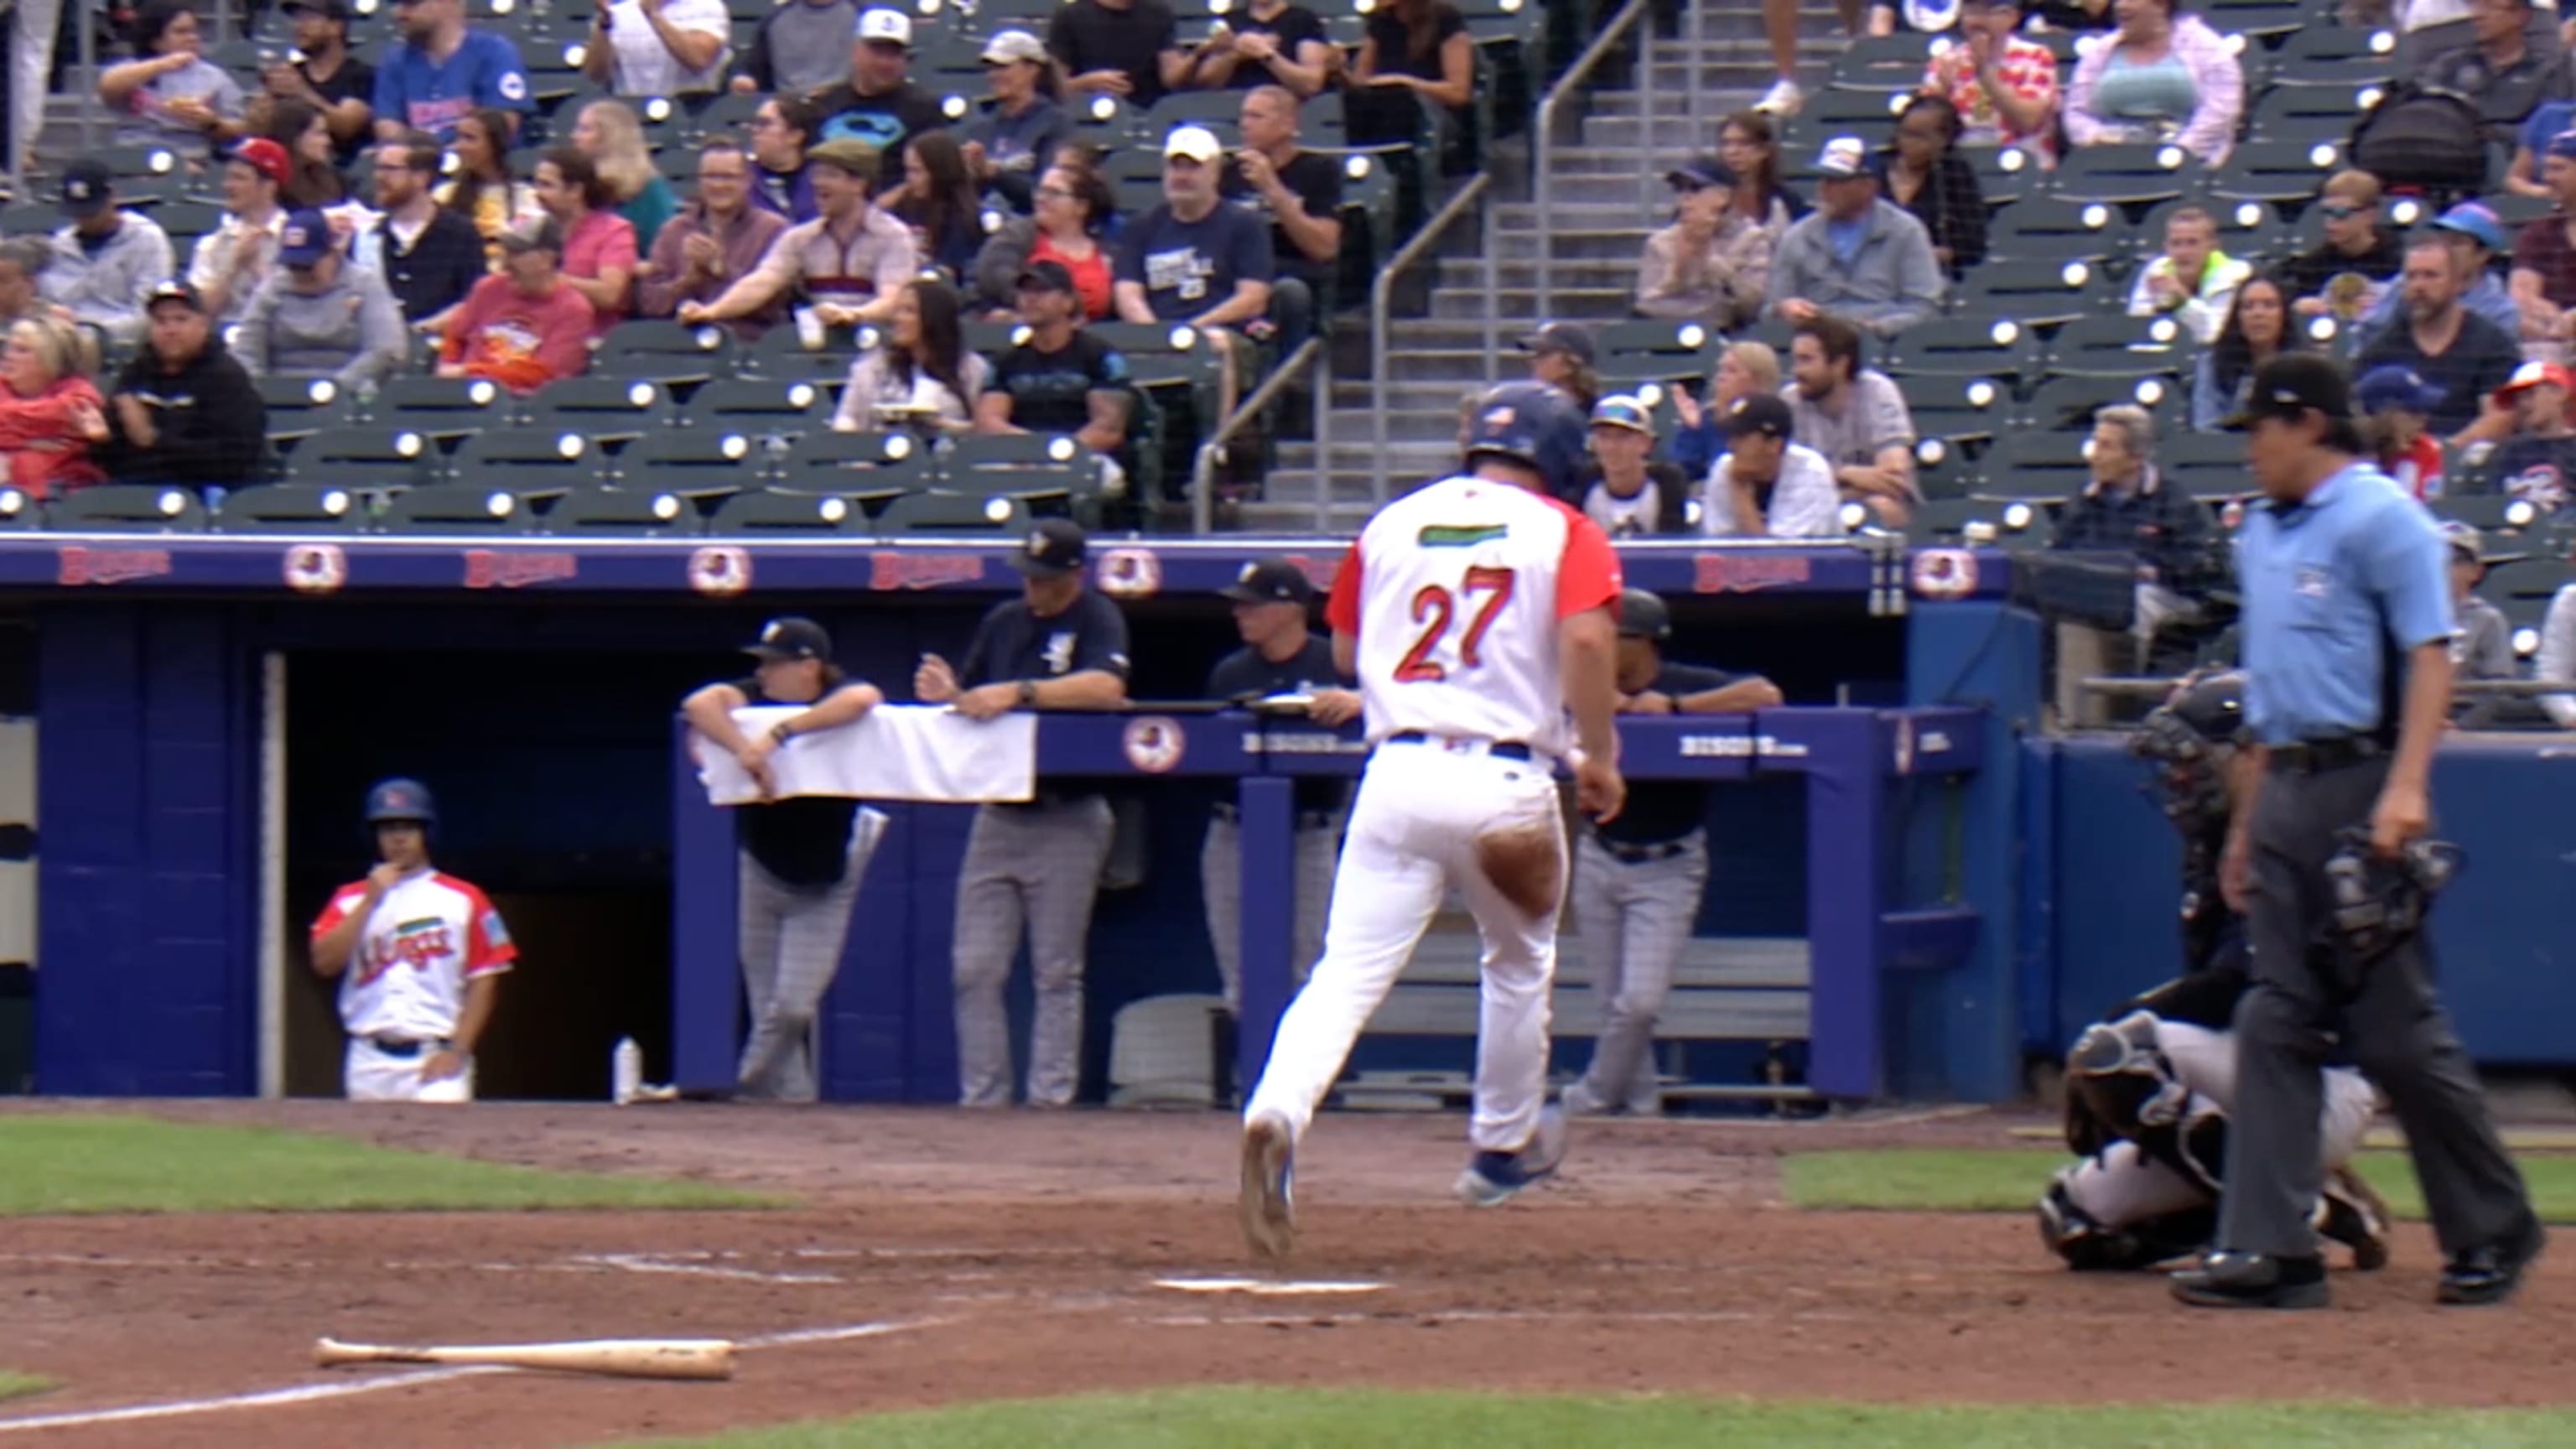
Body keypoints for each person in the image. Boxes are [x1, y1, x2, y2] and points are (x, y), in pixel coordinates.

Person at [2170, 352, 2542, 1311]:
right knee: (2276, 1016)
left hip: (2364, 777)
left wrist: (2408, 785)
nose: (2250, 449)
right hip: (2290, 783)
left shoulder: (2385, 519)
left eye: (2259, 429)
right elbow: (2265, 693)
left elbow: (2429, 656)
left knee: (2396, 1032)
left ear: (2308, 426)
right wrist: (2247, 825)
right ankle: (2273, 1248)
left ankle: (2495, 1228)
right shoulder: (2260, 531)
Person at [1236, 379, 1624, 1259]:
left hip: (1398, 769)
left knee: (1345, 974)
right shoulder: (1566, 529)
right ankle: (1500, 1149)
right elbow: (1592, 640)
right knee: (1518, 964)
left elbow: (1343, 649)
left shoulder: (1393, 520)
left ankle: (1276, 1111)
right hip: (1507, 779)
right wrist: (1598, 753)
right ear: (1557, 457)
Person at [2036, 673, 2394, 1275]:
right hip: (2252, 1081)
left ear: (2246, 757)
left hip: (2321, 1082)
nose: (2179, 778)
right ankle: (2320, 1204)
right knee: (2072, 1220)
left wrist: (2119, 1025)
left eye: (2192, 761)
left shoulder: (2295, 837)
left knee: (2115, 1051)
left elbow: (2243, 984)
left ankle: (2279, 1216)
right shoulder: (2211, 845)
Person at [913, 519, 1132, 1109]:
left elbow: (1106, 688)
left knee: (1056, 971)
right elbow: (975, 699)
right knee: (974, 968)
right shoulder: (1004, 620)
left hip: (1069, 811)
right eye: (1028, 576)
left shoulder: (1096, 616)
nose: (1033, 588)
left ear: (1073, 575)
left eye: (1045, 578)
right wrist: (950, 694)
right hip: (1001, 812)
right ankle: (983, 1099)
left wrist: (1021, 692)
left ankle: (1048, 1104)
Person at [1562, 589, 1780, 1119]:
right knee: (1613, 1003)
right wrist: (1593, 704)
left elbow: (1766, 694)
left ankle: (1592, 1096)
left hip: (1669, 863)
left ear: (1644, 644)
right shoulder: (1587, 684)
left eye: (1617, 638)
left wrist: (1675, 709)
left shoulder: (1683, 682)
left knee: (1639, 1004)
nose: (1602, 647)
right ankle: (1642, 1110)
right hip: (1600, 854)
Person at [680, 618, 890, 1103]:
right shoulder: (753, 694)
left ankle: (744, 1086)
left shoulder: (837, 690)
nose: (766, 674)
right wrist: (746, 752)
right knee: (767, 1005)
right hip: (763, 864)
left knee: (793, 1007)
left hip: (827, 874)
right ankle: (790, 1110)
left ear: (809, 667)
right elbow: (699, 704)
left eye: (776, 664)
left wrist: (780, 733)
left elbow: (864, 699)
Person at [1201, 558, 1360, 1026]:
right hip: (1234, 830)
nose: (1240, 613)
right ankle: (1250, 1089)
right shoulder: (1230, 672)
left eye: (1253, 605)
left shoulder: (1333, 664)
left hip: (1309, 831)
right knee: (1239, 972)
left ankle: (1303, 1093)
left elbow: (1391, 715)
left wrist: (1358, 701)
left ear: (1289, 609)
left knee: (1307, 970)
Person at [309, 779, 513, 1104]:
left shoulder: (464, 898)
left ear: (426, 833)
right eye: (387, 828)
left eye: (408, 827)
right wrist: (370, 901)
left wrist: (458, 1051)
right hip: (369, 1057)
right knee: (366, 1152)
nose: (398, 838)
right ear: (374, 836)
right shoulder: (349, 899)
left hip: (435, 1054)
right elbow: (324, 962)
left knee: (441, 1149)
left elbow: (486, 981)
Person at [2050, 403, 2222, 699]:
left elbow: (2196, 565)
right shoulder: (2082, 501)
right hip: (2095, 592)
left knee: (2137, 601)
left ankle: (2128, 696)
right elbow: (2059, 552)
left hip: (2164, 596)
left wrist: (2153, 570)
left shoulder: (2172, 500)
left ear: (2135, 458)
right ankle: (2069, 703)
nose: (2095, 455)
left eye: (2106, 447)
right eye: (2095, 444)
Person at [1114, 125, 1275, 424]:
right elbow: (1127, 292)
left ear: (1215, 173)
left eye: (1193, 167)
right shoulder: (1143, 225)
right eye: (1175, 167)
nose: (1182, 176)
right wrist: (1154, 335)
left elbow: (1254, 298)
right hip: (1156, 333)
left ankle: (1215, 444)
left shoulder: (1244, 224)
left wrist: (1192, 330)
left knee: (1216, 345)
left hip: (1223, 331)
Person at [683, 138, 917, 330]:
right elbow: (762, 282)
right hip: (816, 343)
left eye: (830, 175)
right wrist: (712, 311)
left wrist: (851, 316)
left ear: (859, 184)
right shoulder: (800, 238)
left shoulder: (893, 237)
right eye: (816, 174)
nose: (818, 183)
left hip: (874, 342)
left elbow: (892, 300)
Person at [94, 280, 267, 491]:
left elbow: (237, 458)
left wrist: (154, 439)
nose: (171, 330)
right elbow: (114, 456)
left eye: (181, 319)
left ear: (203, 325)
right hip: (134, 491)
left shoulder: (226, 377)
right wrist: (101, 439)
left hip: (205, 493)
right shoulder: (135, 373)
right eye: (161, 321)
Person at [976, 261, 1135, 487]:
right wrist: (1033, 450)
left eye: (1042, 291)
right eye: (1025, 292)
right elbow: (988, 421)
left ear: (1068, 301)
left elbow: (1107, 429)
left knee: (1106, 480)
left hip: (1083, 455)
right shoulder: (1006, 361)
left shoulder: (1099, 356)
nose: (1030, 299)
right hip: (1021, 458)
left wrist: (1058, 452)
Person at [1768, 138, 1945, 340]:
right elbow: (1773, 308)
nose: (1824, 189)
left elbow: (1924, 307)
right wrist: (1785, 308)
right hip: (1817, 345)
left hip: (1887, 344)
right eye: (1823, 179)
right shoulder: (1798, 236)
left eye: (1836, 181)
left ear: (1868, 186)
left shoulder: (1906, 231)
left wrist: (1878, 328)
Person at [2355, 236, 2525, 441]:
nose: (2419, 286)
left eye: (2430, 276)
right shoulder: (2382, 348)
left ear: (2456, 284)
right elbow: (2361, 415)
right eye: (2411, 276)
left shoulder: (2492, 344)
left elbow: (2500, 417)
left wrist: (2445, 454)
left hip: (2469, 464)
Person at [1220, 86, 1343, 350]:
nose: (1244, 125)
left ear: (1288, 125)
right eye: (1243, 117)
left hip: (1289, 270)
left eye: (1256, 117)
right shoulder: (1228, 173)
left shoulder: (1319, 170)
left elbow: (1324, 248)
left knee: (1288, 293)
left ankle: (1283, 384)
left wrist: (1272, 188)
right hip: (1235, 273)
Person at [235, 208, 408, 391]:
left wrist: (335, 388)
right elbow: (247, 351)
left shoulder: (364, 285)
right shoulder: (272, 290)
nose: (300, 273)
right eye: (293, 265)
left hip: (349, 394)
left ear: (332, 253)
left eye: (307, 265)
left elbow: (386, 349)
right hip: (281, 394)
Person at [2061, 0, 2245, 165]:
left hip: (2187, 162)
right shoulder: (2100, 52)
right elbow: (2076, 111)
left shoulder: (2205, 46)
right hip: (2109, 162)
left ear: (2161, 4)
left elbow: (2221, 109)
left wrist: (2181, 151)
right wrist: (2095, 139)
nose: (2120, 6)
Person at [638, 138, 790, 335]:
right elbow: (649, 303)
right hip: (681, 342)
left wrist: (721, 271)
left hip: (749, 342)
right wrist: (688, 281)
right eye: (710, 176)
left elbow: (775, 304)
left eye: (728, 177)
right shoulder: (674, 230)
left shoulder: (773, 229)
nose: (718, 185)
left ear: (748, 180)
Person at [438, 216, 595, 394]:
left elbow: (544, 373)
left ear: (547, 259)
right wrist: (447, 366)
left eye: (516, 253)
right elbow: (456, 335)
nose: (505, 263)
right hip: (464, 396)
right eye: (505, 251)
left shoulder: (573, 309)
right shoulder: (488, 288)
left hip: (521, 408)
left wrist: (469, 372)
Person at [1785, 314, 1917, 526]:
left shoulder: (1877, 391)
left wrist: (1831, 483)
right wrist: (1848, 474)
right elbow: (1790, 482)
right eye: (1796, 360)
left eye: (1806, 360)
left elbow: (1893, 478)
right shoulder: (1791, 400)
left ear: (1840, 364)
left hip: (1873, 508)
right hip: (1812, 510)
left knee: (1883, 507)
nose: (1796, 371)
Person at [358, 129, 487, 328]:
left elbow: (475, 301)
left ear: (421, 177)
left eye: (389, 169)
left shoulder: (460, 234)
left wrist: (426, 328)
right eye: (377, 168)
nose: (378, 177)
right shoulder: (369, 236)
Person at [39, 163, 175, 351]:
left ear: (112, 198)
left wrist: (94, 334)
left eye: (92, 212)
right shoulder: (60, 245)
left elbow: (149, 313)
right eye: (79, 213)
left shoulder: (146, 239)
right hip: (65, 344)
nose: (85, 219)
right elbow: (49, 303)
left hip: (125, 345)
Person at [831, 278, 989, 432]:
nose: (897, 318)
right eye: (897, 310)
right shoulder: (873, 366)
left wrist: (940, 425)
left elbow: (984, 430)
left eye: (909, 311)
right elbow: (847, 418)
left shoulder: (972, 368)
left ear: (933, 317)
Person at [1634, 156, 1772, 332]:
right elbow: (1646, 306)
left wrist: (1709, 258)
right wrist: (1680, 273)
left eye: (1695, 188)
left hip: (1730, 338)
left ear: (1723, 196)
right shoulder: (1660, 242)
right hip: (1662, 338)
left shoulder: (1752, 239)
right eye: (1679, 189)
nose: (1685, 197)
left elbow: (1753, 306)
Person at [809, 8, 950, 179]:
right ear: (856, 51)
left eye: (894, 54)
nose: (885, 63)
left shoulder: (923, 109)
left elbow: (930, 178)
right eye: (878, 52)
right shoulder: (825, 104)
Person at [98, 0, 246, 159]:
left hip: (191, 156)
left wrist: (211, 123)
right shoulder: (133, 70)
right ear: (156, 40)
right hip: (136, 155)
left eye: (194, 31)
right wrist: (164, 64)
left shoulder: (213, 76)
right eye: (181, 32)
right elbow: (108, 87)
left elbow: (240, 129)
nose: (192, 38)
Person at [371, 0, 534, 145]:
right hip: (418, 170)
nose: (400, 14)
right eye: (398, 5)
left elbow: (504, 124)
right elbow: (387, 124)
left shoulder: (495, 52)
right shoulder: (395, 61)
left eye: (411, 4)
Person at [971, 163, 1118, 319]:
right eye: (1040, 191)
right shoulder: (1016, 235)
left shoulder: (1107, 255)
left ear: (1081, 206)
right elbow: (994, 273)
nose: (1041, 199)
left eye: (1053, 193)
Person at [2418, 0, 2573, 147]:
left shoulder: (2546, 72)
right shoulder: (2449, 66)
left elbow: (2549, 128)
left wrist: (2489, 133)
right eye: (2476, 6)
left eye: (2489, 6)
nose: (2478, 15)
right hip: (2452, 155)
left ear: (2520, 16)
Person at [1920, 0, 2060, 159]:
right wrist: (1942, 91)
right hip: (1961, 162)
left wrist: (1985, 74)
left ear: (2011, 17)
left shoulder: (2036, 57)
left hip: (2024, 160)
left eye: (1986, 12)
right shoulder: (1947, 61)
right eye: (1970, 11)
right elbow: (1923, 126)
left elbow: (2029, 121)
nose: (1976, 21)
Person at [531, 146, 641, 336]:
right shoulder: (532, 228)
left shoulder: (614, 231)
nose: (537, 193)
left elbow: (610, 294)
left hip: (590, 338)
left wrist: (554, 282)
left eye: (547, 185)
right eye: (537, 185)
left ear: (575, 191)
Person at [251, 0, 375, 168]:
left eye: (309, 17)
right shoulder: (291, 73)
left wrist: (302, 92)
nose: (299, 26)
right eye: (296, 18)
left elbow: (346, 125)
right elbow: (255, 127)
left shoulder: (360, 74)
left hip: (342, 169)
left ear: (336, 27)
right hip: (290, 170)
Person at [0, 317, 110, 501]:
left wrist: (10, 442)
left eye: (22, 350)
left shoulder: (79, 395)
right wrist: (27, 442)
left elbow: (67, 416)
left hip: (62, 493)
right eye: (9, 347)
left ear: (50, 360)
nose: (8, 356)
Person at [963, 30, 1072, 212]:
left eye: (1003, 66)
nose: (994, 75)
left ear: (1032, 69)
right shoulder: (980, 127)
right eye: (991, 68)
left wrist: (995, 174)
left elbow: (1048, 193)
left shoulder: (1055, 123)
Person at [1877, 95, 1987, 278]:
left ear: (1943, 140)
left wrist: (1929, 255)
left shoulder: (1955, 175)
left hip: (1933, 278)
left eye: (1919, 137)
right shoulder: (1874, 170)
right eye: (1904, 133)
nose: (1907, 143)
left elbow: (1973, 246)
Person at [1705, 392, 1841, 538]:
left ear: (1774, 445)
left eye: (1741, 437)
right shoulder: (1724, 467)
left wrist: (1739, 491)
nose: (1731, 445)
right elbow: (1719, 545)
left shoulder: (1811, 473)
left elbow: (1779, 556)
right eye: (1730, 436)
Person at [185, 137, 291, 324]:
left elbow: (291, 309)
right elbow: (200, 313)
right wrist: (234, 265)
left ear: (269, 187)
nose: (227, 186)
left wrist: (257, 268)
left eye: (239, 178)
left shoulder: (294, 237)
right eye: (228, 177)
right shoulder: (213, 243)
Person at [2279, 171, 2404, 321]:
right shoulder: (2314, 265)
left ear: (2370, 215)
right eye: (2326, 212)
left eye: (2340, 213)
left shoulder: (2400, 262)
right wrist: (2297, 305)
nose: (2330, 221)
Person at [2127, 206, 2251, 345]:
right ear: (2166, 246)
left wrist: (2183, 302)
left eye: (2192, 243)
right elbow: (2137, 332)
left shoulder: (2235, 274)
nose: (2183, 252)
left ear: (2212, 246)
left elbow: (2216, 335)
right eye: (2176, 243)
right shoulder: (2156, 271)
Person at [2192, 273, 2301, 432]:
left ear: (2284, 315)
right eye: (2248, 306)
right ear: (2237, 316)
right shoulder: (2212, 364)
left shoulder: (2306, 367)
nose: (2258, 314)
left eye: (2269, 305)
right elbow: (2205, 426)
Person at [1572, 395, 1693, 536]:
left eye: (1623, 437)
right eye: (1603, 436)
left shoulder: (1667, 487)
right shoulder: (1584, 487)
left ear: (1647, 444)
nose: (1611, 447)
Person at [435, 107, 542, 264]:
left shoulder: (526, 198)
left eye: (470, 138)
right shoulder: (443, 196)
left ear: (494, 144)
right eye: (458, 138)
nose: (459, 146)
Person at [573, 100, 679, 254]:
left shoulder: (649, 189)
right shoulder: (579, 184)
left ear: (610, 136)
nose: (575, 136)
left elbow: (662, 252)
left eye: (585, 130)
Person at [1351, 0, 1473, 134]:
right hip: (1384, 112)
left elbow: (1458, 94)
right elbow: (1361, 82)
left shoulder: (1446, 18)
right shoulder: (1381, 20)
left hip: (1432, 118)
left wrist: (1405, 84)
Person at [1669, 340, 1779, 480]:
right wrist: (1692, 429)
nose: (1721, 377)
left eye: (1732, 371)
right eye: (1721, 370)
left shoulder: (1775, 421)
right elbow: (1682, 474)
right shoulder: (1708, 418)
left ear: (1757, 380)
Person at [584, 0, 730, 99]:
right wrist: (604, 26)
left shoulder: (707, 7)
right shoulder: (619, 13)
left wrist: (653, 15)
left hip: (691, 109)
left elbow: (698, 59)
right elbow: (596, 75)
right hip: (632, 109)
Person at [1050, 0, 1186, 106]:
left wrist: (1198, 56)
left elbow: (1171, 78)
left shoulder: (1159, 13)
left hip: (1150, 111)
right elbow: (1056, 88)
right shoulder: (1070, 16)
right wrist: (1085, 84)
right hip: (1088, 113)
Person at [2511, 129, 2576, 350]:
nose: (2547, 178)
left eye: (2558, 168)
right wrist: (2550, 317)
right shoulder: (2540, 232)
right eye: (2546, 168)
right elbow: (2521, 293)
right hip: (2554, 340)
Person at [892, 132, 988, 280]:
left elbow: (950, 271)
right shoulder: (904, 206)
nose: (909, 179)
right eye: (908, 170)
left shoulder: (961, 217)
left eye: (916, 171)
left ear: (938, 172)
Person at [2483, 358, 2576, 510]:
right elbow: (2491, 504)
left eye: (2530, 394)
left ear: (2559, 393)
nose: (2523, 404)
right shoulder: (2507, 451)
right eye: (2518, 398)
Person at [1189, 0, 1335, 96]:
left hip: (1288, 106)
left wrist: (1267, 55)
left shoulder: (1304, 20)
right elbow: (1207, 82)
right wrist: (1235, 55)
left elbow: (1311, 84)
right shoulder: (1229, 22)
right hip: (1234, 105)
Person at [731, 0, 864, 98]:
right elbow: (753, 67)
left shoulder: (862, 15)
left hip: (845, 101)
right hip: (789, 106)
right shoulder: (776, 18)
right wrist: (745, 79)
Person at [1717, 110, 1807, 248]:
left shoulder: (1787, 200)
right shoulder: (1709, 199)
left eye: (1743, 143)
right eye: (1726, 143)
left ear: (1764, 150)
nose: (1732, 151)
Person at [2357, 364, 2448, 499]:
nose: (2423, 419)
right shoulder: (2345, 454)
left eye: (2425, 410)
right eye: (2413, 411)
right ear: (2382, 414)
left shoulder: (2425, 449)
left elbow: (2431, 509)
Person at [2439, 522, 2516, 683]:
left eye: (2455, 560)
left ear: (2476, 571)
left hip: (2468, 705)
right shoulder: (2408, 615)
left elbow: (2499, 685)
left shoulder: (2488, 619)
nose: (2443, 567)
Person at [747, 95, 822, 226]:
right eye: (755, 123)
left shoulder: (822, 181)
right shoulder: (741, 179)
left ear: (795, 136)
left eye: (765, 124)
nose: (754, 130)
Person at [263, 98, 347, 209]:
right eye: (319, 134)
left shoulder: (332, 178)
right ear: (295, 137)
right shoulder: (272, 188)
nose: (328, 141)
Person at [1519, 320, 1599, 413]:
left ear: (1571, 362)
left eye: (1543, 354)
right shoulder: (1528, 411)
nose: (1533, 361)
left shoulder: (1602, 416)